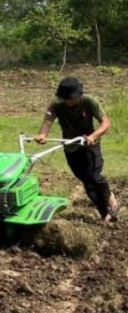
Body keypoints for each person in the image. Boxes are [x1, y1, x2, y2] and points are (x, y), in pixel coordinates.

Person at [34, 77, 119, 223]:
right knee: (86, 181)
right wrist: (42, 134)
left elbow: (105, 123)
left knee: (94, 176)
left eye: (70, 98)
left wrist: (93, 136)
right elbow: (47, 121)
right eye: (64, 98)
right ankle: (105, 214)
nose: (67, 101)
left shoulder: (88, 101)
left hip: (90, 145)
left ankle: (112, 201)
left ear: (77, 95)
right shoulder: (56, 104)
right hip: (71, 147)